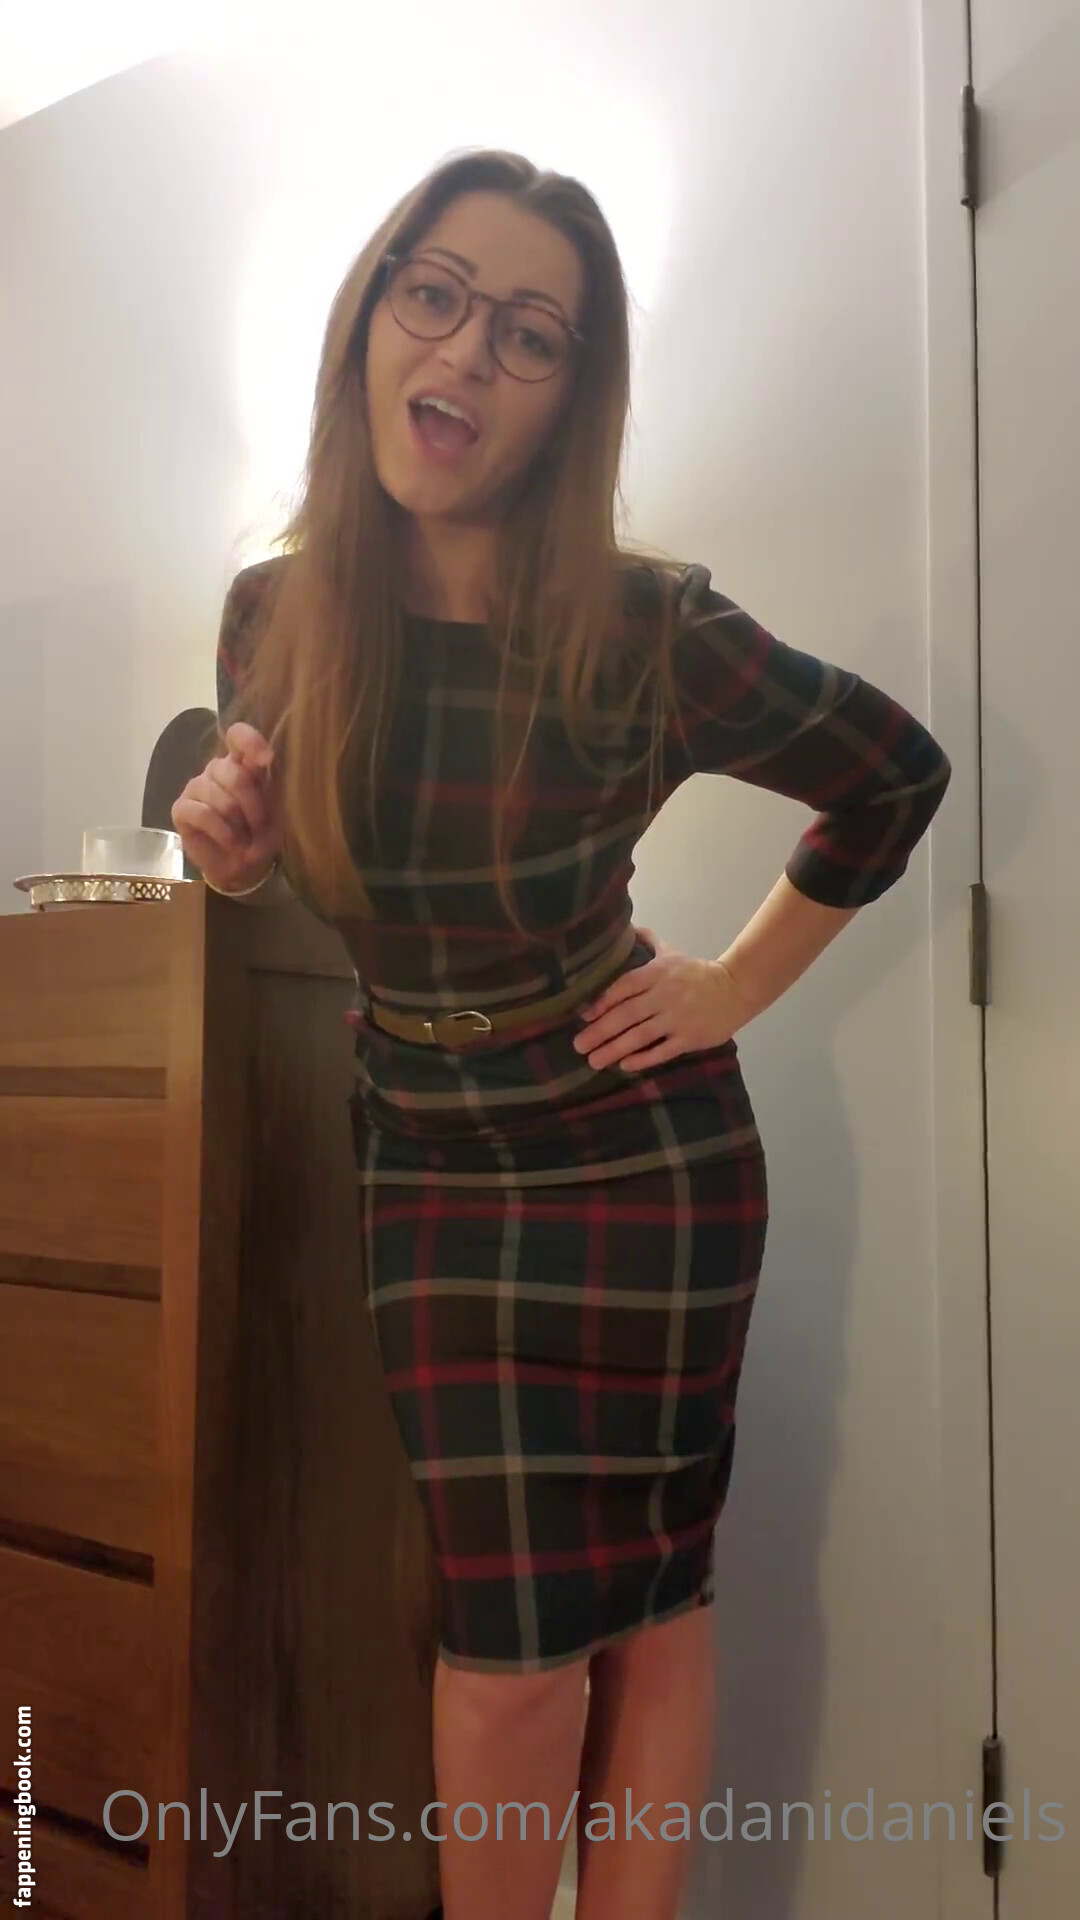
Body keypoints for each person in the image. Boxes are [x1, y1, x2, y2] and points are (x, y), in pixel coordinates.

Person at [172, 148, 951, 1920]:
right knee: (512, 1651)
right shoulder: (271, 617)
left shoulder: (643, 627)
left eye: (530, 332)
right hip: (427, 1156)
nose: (467, 349)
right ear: (371, 315)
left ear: (568, 393)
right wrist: (232, 855)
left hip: (638, 1157)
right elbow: (284, 851)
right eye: (435, 294)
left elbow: (893, 775)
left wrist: (734, 985)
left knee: (654, 1601)